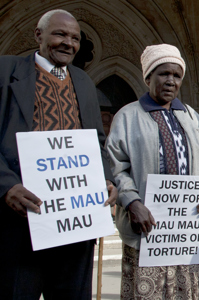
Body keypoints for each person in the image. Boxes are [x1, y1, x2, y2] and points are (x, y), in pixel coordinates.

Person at [0, 9, 117, 299]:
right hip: (21, 224)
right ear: (38, 35)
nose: (68, 43)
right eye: (60, 34)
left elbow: (97, 143)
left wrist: (106, 179)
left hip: (74, 227)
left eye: (75, 38)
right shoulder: (6, 71)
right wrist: (6, 186)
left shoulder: (84, 82)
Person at [106, 44, 199, 299]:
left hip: (189, 224)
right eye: (163, 74)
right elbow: (117, 165)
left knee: (193, 288)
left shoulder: (191, 116)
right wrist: (132, 202)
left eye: (177, 75)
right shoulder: (128, 117)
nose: (171, 81)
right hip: (148, 222)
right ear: (148, 77)